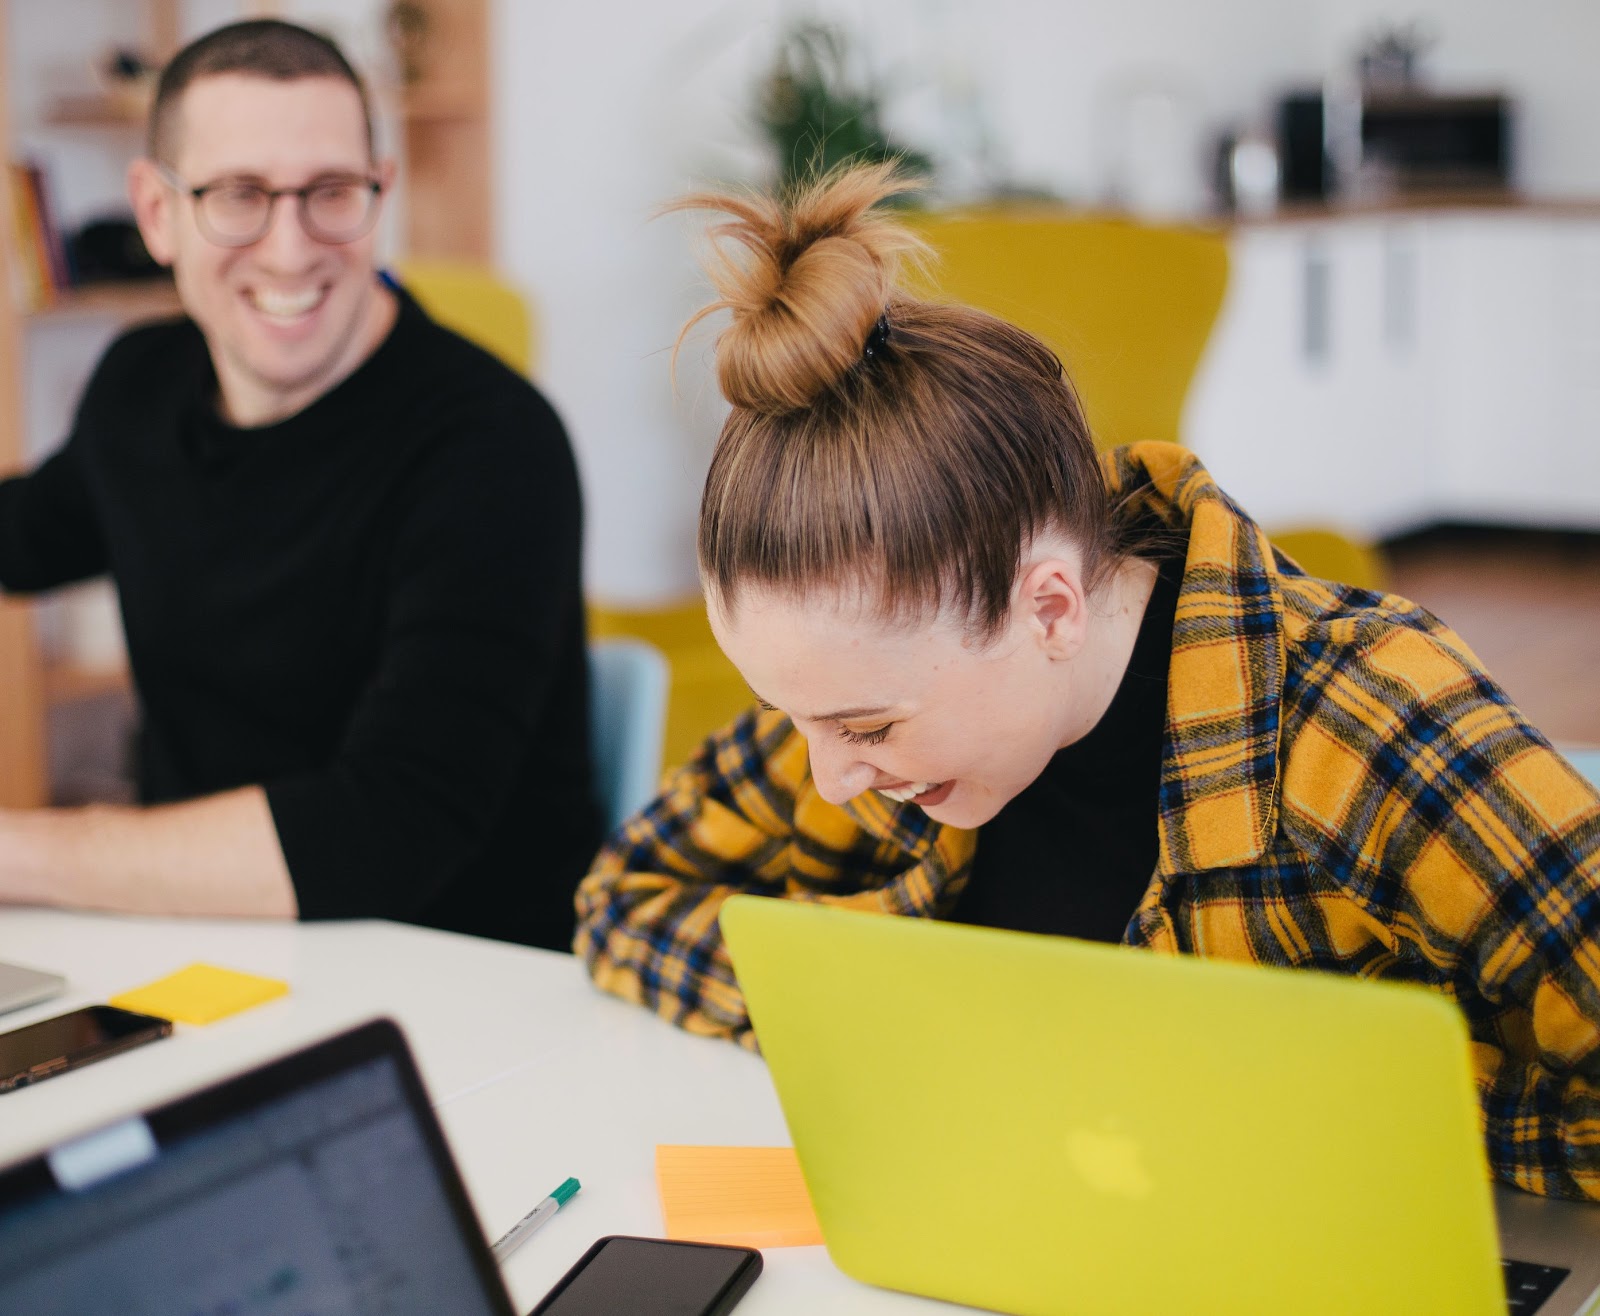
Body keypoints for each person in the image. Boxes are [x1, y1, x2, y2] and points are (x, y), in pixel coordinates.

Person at [576, 162, 1600, 1200]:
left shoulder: (1368, 721)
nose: (830, 774)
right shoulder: (858, 698)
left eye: (868, 728)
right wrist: (884, 1004)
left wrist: (1329, 1100)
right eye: (796, 717)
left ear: (1051, 606)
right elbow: (622, 901)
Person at [0, 20, 599, 950]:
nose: (289, 250)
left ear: (381, 194)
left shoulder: (492, 445)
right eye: (238, 196)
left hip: (457, 981)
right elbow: (26, 533)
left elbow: (388, 830)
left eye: (329, 194)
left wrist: (19, 854)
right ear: (157, 213)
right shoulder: (140, 387)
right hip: (197, 949)